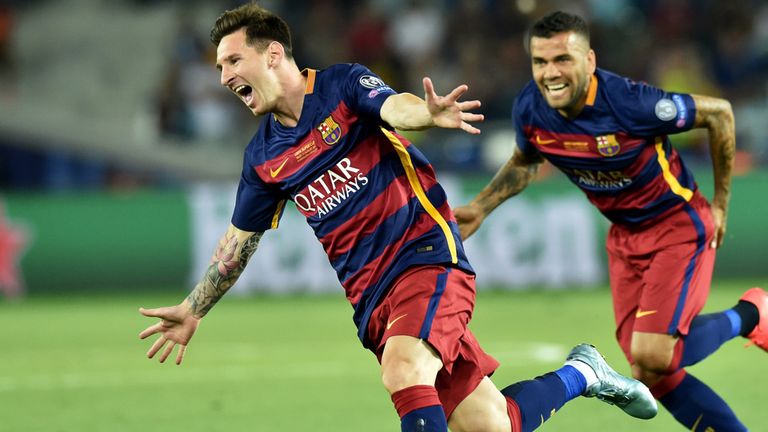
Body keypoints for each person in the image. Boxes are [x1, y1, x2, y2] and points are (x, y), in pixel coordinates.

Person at [139, 5, 658, 431]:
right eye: (218, 67)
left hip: (425, 258)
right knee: (494, 424)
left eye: (232, 60)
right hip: (371, 300)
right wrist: (194, 307)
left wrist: (427, 116)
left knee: (404, 370)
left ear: (273, 54)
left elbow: (395, 107)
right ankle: (584, 372)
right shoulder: (262, 158)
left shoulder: (341, 86)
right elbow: (237, 242)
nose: (224, 75)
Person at [454, 11, 767, 432]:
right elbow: (526, 161)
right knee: (654, 374)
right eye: (540, 62)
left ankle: (752, 314)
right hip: (624, 237)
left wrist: (722, 203)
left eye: (562, 59)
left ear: (589, 61)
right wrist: (481, 206)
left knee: (655, 355)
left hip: (676, 226)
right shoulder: (531, 107)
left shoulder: (629, 103)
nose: (550, 74)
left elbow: (719, 114)